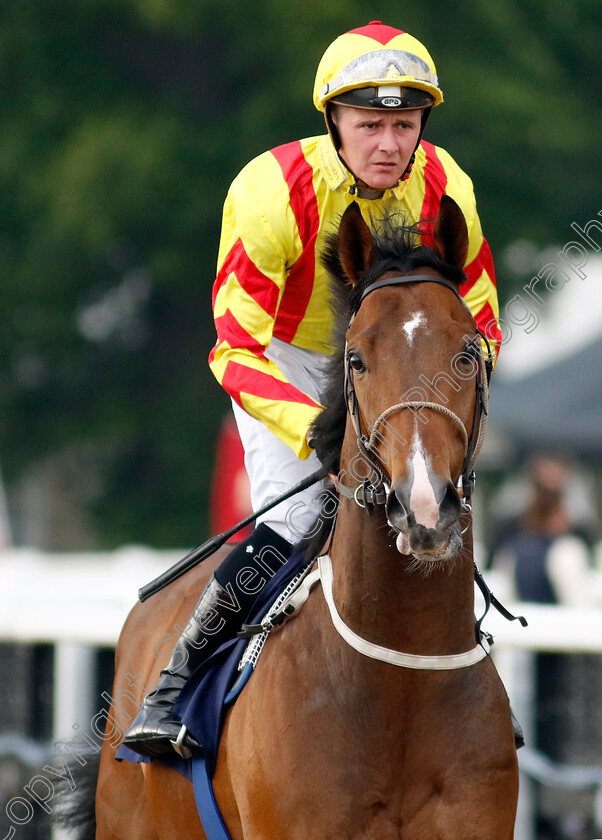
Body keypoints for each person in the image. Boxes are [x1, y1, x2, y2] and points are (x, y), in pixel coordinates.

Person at [124, 20, 502, 758]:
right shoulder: (270, 191)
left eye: (403, 124)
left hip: (401, 361)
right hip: (286, 357)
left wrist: (447, 417)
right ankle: (177, 685)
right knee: (300, 517)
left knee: (434, 499)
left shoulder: (447, 184)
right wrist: (318, 433)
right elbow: (233, 344)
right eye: (369, 125)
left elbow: (481, 316)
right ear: (333, 122)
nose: (389, 145)